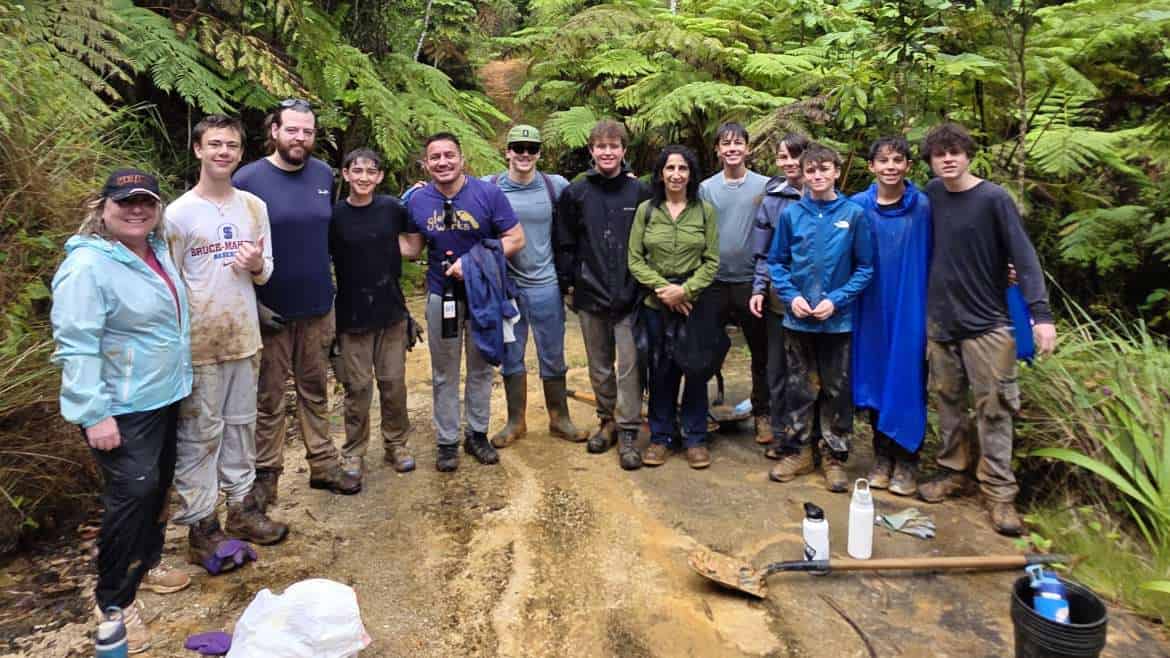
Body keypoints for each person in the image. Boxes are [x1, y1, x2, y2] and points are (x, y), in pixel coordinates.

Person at [51, 169, 192, 653]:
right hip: (120, 406)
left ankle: (145, 567)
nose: (136, 210)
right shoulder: (87, 266)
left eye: (146, 202)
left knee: (155, 491)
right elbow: (76, 344)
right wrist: (93, 413)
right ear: (103, 207)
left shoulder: (153, 252)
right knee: (132, 495)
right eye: (125, 202)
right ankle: (113, 601)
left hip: (163, 394)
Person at [917, 122, 1057, 536]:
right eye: (940, 153)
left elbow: (1023, 256)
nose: (947, 159)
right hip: (942, 321)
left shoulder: (994, 198)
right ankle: (953, 471)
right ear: (931, 159)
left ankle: (999, 492)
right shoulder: (930, 195)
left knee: (995, 407)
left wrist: (1041, 315)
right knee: (946, 402)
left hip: (989, 323)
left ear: (968, 155)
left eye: (955, 152)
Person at [166, 115, 289, 571]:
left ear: (241, 153)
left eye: (232, 145)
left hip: (244, 334)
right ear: (197, 149)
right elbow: (170, 283)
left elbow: (267, 271)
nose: (223, 152)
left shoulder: (253, 207)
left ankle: (241, 508)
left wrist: (256, 264)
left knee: (241, 425)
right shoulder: (177, 215)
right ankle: (201, 525)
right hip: (199, 342)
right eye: (214, 144)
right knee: (200, 434)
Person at [233, 99, 359, 503]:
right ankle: (266, 475)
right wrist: (252, 302)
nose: (300, 138)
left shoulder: (323, 173)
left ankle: (322, 464)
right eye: (292, 130)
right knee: (269, 398)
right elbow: (233, 245)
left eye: (307, 131)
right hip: (270, 308)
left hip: (318, 304)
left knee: (314, 389)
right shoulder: (248, 179)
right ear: (274, 131)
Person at [402, 132, 526, 472]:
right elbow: (412, 248)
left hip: (483, 294)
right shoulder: (417, 200)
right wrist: (369, 232)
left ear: (461, 158)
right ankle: (446, 441)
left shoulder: (488, 194)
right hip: (441, 295)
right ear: (426, 163)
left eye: (449, 155)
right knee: (443, 372)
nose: (443, 162)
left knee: (481, 367)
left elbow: (515, 238)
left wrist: (472, 264)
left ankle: (477, 434)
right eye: (435, 157)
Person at [767, 143, 873, 492]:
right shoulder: (791, 215)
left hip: (837, 320)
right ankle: (798, 451)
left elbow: (864, 267)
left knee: (836, 389)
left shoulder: (853, 214)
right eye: (811, 170)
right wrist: (792, 296)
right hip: (798, 318)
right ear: (803, 173)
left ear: (836, 172)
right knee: (799, 386)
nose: (817, 176)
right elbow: (777, 262)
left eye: (823, 169)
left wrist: (837, 300)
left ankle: (833, 455)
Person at [554, 119, 651, 470]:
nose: (607, 152)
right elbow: (564, 242)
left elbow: (649, 241)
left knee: (628, 365)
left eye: (614, 146)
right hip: (589, 291)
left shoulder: (640, 191)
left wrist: (644, 286)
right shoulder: (576, 193)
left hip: (631, 293)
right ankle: (607, 420)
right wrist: (568, 283)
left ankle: (628, 430)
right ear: (591, 151)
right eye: (600, 146)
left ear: (624, 151)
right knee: (599, 365)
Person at [486, 125, 587, 448]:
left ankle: (560, 418)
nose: (525, 154)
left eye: (531, 148)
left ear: (540, 152)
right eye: (518, 147)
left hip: (546, 284)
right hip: (507, 287)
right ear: (508, 151)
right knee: (512, 353)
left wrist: (627, 180)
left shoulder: (554, 185)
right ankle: (516, 421)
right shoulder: (490, 186)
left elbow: (589, 200)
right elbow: (454, 195)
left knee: (552, 353)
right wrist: (414, 191)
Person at [628, 145, 721, 469]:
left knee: (694, 368)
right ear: (660, 174)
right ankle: (661, 437)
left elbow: (711, 261)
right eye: (670, 168)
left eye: (683, 168)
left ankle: (695, 437)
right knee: (661, 370)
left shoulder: (705, 211)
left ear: (691, 174)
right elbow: (635, 259)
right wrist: (662, 289)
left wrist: (686, 291)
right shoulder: (647, 211)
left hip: (692, 304)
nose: (676, 175)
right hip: (656, 303)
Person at [849, 136, 932, 497]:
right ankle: (882, 457)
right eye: (883, 160)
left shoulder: (923, 207)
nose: (890, 167)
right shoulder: (857, 207)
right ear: (871, 167)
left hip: (910, 305)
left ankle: (908, 460)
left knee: (908, 378)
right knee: (872, 378)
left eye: (898, 160)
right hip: (868, 306)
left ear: (908, 166)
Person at [329, 148, 418, 483]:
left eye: (371, 171)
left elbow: (412, 246)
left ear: (380, 177)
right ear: (346, 174)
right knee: (358, 387)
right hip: (351, 315)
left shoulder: (393, 209)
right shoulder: (334, 216)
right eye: (357, 171)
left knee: (393, 384)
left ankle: (397, 444)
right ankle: (353, 451)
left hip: (391, 312)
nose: (364, 177)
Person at [698, 122, 772, 444]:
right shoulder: (706, 188)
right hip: (714, 281)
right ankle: (697, 411)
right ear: (717, 149)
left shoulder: (764, 186)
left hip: (750, 281)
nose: (732, 149)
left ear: (747, 148)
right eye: (725, 144)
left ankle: (763, 413)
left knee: (761, 351)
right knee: (704, 348)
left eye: (738, 143)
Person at [750, 133, 809, 459]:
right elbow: (763, 252)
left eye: (795, 156)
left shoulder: (825, 194)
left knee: (807, 371)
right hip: (778, 298)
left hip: (815, 300)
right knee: (777, 368)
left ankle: (808, 437)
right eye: (783, 157)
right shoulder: (772, 199)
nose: (789, 163)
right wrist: (759, 288)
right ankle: (780, 432)